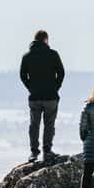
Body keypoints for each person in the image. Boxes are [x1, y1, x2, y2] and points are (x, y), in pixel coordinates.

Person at [19, 30, 66, 162]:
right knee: (49, 124)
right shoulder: (53, 54)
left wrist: (31, 88)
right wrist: (55, 87)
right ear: (46, 40)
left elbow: (22, 76)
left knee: (34, 124)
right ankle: (47, 151)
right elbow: (61, 73)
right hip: (51, 97)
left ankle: (34, 152)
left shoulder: (27, 56)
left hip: (35, 97)